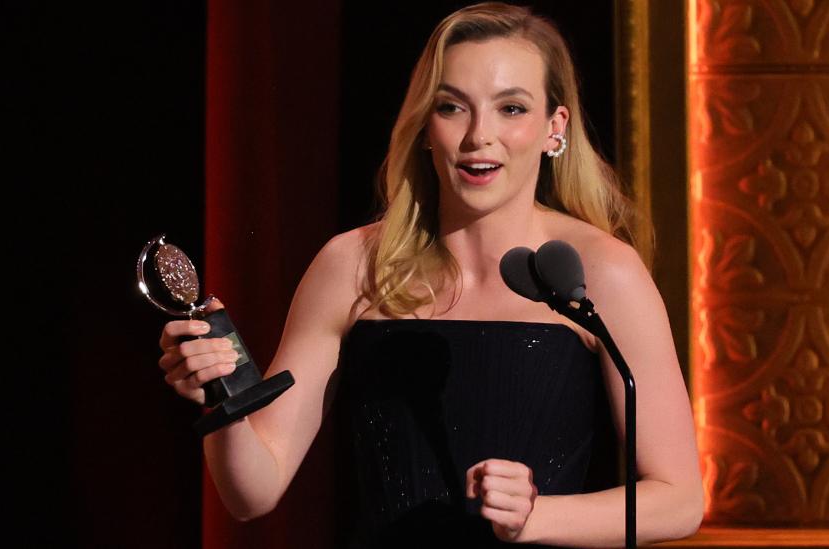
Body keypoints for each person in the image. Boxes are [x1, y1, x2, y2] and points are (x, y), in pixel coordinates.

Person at [157, 2, 703, 547]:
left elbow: (679, 500)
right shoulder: (353, 266)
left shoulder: (603, 272)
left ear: (553, 129)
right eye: (452, 107)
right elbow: (252, 493)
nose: (478, 136)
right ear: (424, 126)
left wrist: (535, 517)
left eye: (511, 108)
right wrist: (221, 400)